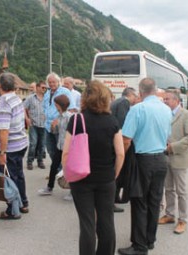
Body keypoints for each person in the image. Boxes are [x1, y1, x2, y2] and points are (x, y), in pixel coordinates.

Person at [62, 80, 125, 255]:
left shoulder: (77, 120)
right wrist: (113, 175)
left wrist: (68, 174)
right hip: (106, 179)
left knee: (87, 223)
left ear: (84, 99)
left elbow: (66, 153)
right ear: (105, 98)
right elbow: (120, 153)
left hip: (81, 180)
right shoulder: (112, 121)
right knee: (106, 222)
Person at [118, 78, 172, 255]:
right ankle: (149, 240)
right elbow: (167, 136)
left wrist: (122, 159)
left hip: (143, 160)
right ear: (155, 91)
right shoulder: (166, 109)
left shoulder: (137, 109)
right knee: (154, 201)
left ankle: (139, 246)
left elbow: (126, 139)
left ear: (140, 92)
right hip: (161, 159)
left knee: (139, 201)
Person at [0, 72, 29, 219]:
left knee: (9, 179)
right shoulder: (16, 99)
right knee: (18, 175)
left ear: (0, 86)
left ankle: (12, 210)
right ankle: (23, 203)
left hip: (9, 148)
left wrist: (2, 153)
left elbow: (4, 130)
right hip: (20, 144)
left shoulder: (4, 104)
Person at [158, 90, 188, 234]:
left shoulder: (187, 114)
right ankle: (169, 215)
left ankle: (182, 220)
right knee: (168, 189)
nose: (165, 101)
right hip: (165, 156)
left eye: (167, 99)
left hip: (179, 157)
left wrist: (172, 147)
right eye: (164, 99)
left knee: (181, 191)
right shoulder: (164, 113)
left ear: (176, 100)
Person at [111, 87, 139, 213]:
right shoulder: (124, 103)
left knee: (119, 172)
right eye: (136, 96)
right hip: (118, 142)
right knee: (119, 171)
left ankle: (115, 197)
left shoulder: (118, 101)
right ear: (131, 95)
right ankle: (112, 200)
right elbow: (123, 124)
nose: (136, 99)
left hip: (113, 140)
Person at [38, 94, 72, 195]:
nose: (55, 106)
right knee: (54, 167)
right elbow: (55, 132)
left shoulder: (70, 117)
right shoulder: (58, 116)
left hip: (69, 148)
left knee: (70, 169)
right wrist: (53, 126)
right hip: (60, 146)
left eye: (55, 104)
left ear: (59, 105)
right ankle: (49, 188)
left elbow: (73, 133)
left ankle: (73, 191)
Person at [43, 72, 75, 162]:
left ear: (58, 82)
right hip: (48, 126)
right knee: (50, 150)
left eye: (54, 82)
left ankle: (61, 172)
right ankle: (56, 169)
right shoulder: (47, 93)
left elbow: (72, 109)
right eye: (50, 82)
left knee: (61, 150)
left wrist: (58, 119)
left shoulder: (65, 92)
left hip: (60, 126)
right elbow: (45, 108)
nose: (52, 84)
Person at [24, 81, 47, 170]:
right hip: (34, 124)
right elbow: (24, 108)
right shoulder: (30, 98)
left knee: (42, 144)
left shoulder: (47, 98)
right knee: (33, 143)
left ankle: (40, 161)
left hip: (44, 125)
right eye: (43, 87)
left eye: (45, 88)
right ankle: (29, 162)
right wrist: (27, 119)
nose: (44, 89)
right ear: (37, 87)